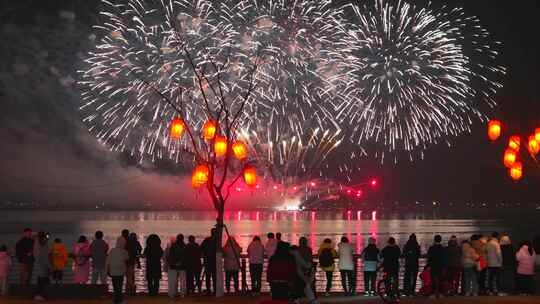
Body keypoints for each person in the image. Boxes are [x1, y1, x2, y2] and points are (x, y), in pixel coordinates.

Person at [106, 237, 129, 304]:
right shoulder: (124, 251)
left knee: (115, 286)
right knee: (120, 286)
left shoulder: (112, 250)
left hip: (113, 271)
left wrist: (107, 270)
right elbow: (127, 258)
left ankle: (116, 300)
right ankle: (119, 300)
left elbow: (108, 261)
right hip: (120, 271)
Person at [167, 234, 187, 298]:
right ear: (183, 238)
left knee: (173, 281)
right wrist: (181, 262)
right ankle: (182, 293)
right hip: (182, 266)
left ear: (177, 238)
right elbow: (186, 256)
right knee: (182, 281)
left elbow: (170, 255)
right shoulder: (184, 246)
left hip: (173, 266)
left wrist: (174, 263)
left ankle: (172, 293)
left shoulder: (173, 246)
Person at [33, 231, 51, 301]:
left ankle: (39, 295)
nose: (46, 238)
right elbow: (44, 256)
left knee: (42, 280)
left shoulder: (39, 243)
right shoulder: (41, 245)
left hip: (41, 265)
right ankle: (39, 295)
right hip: (42, 265)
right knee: (42, 280)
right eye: (45, 237)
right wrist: (49, 266)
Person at [200, 228, 217, 294]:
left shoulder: (207, 240)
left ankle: (208, 289)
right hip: (214, 262)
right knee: (214, 277)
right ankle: (215, 289)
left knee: (208, 276)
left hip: (207, 261)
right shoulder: (217, 241)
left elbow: (201, 248)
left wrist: (204, 254)